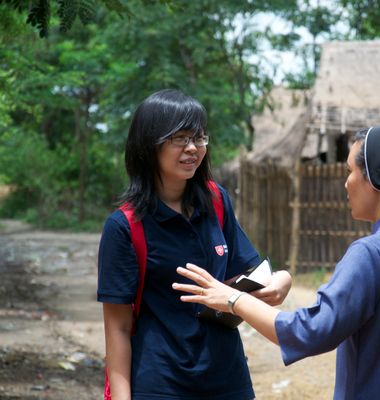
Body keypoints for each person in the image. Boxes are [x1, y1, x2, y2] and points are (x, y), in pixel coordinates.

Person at [173, 124, 380, 399]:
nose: (346, 184)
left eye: (350, 172)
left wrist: (234, 299)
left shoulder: (371, 254)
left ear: (377, 180)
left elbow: (310, 331)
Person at [97, 89, 292, 399]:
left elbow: (251, 273)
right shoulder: (124, 227)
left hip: (228, 379)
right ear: (149, 144)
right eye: (180, 139)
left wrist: (283, 280)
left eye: (199, 138)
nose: (192, 148)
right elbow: (117, 328)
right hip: (161, 382)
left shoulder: (216, 201)